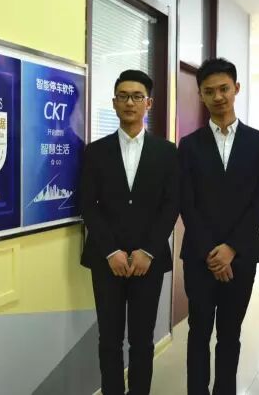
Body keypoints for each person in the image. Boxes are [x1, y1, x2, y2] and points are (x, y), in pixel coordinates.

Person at [177, 58, 259, 395]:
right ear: (200, 95)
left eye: (224, 89)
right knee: (198, 332)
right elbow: (187, 203)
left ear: (236, 89)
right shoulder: (189, 146)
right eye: (209, 91)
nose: (218, 97)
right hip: (199, 257)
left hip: (242, 256)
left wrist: (231, 248)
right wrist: (211, 251)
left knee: (230, 334)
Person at [80, 70, 179, 395]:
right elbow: (88, 205)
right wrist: (111, 251)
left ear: (148, 103)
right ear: (114, 102)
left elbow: (170, 205)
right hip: (106, 261)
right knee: (108, 339)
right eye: (123, 96)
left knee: (141, 339)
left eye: (137, 96)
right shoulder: (95, 151)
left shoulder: (167, 152)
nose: (129, 102)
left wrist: (148, 250)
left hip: (147, 262)